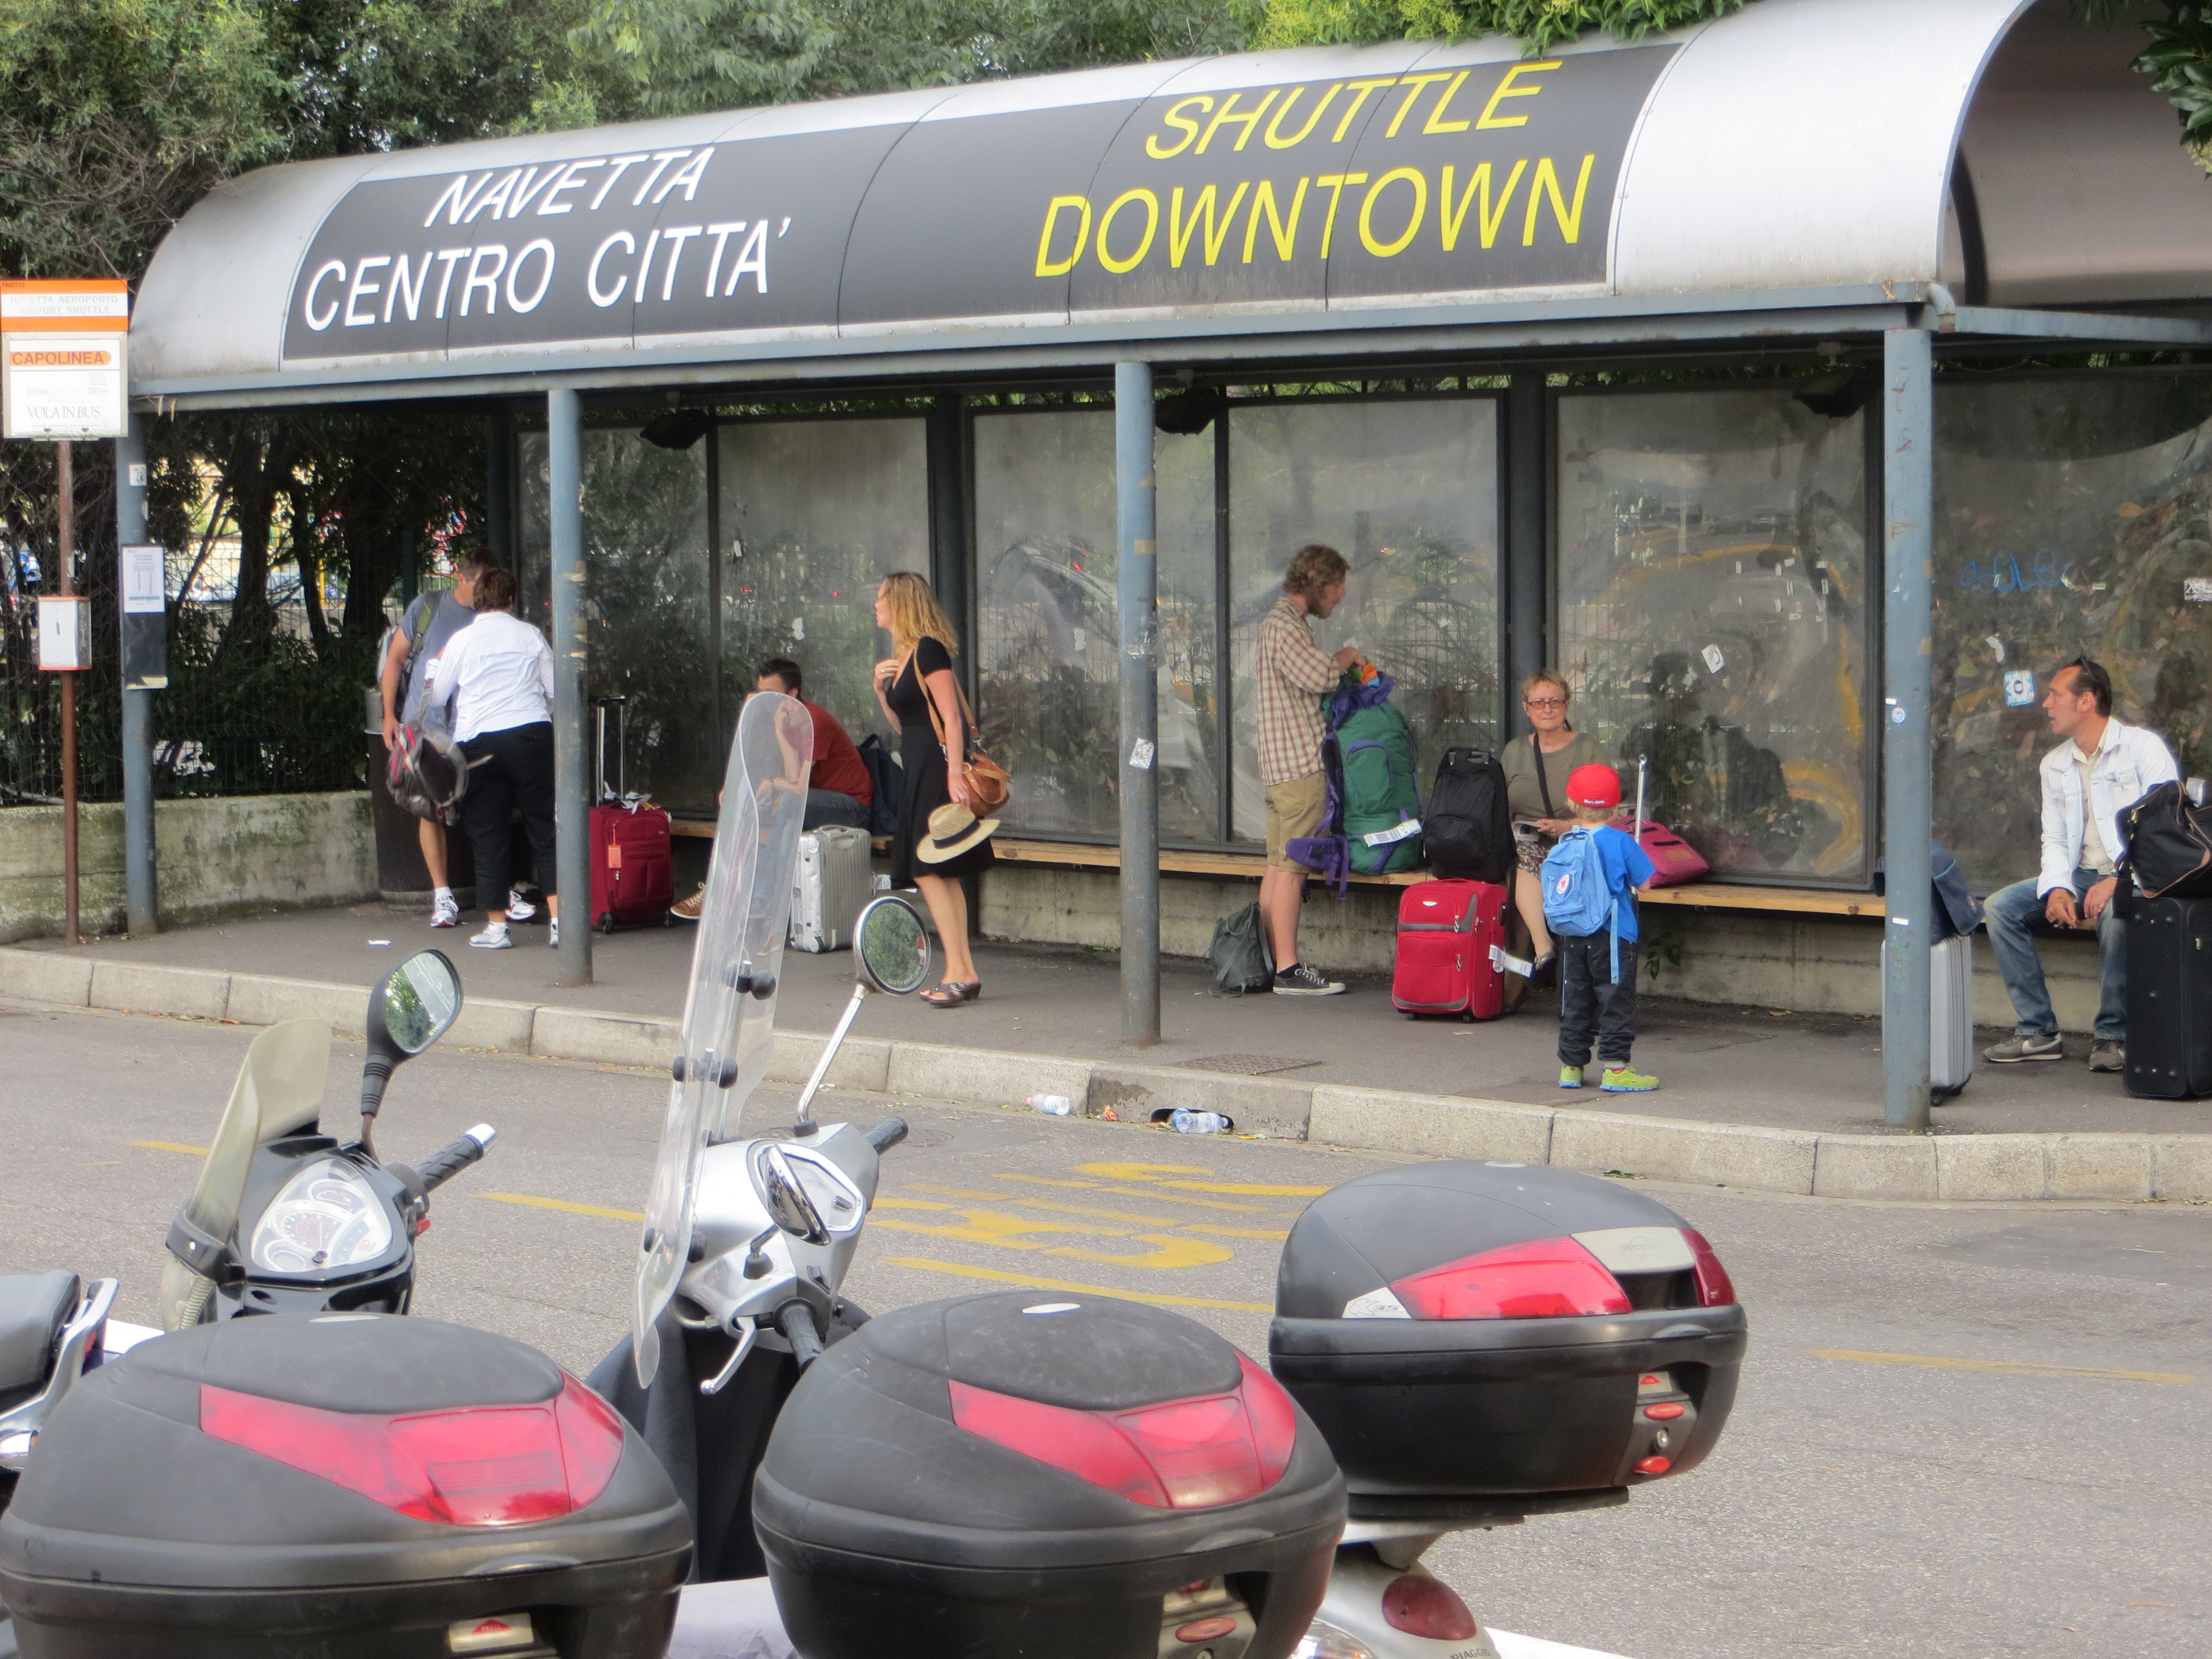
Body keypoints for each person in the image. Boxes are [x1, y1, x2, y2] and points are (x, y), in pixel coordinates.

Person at [1982, 656, 2177, 1072]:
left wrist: (2120, 879)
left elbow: (2161, 831)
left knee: (2116, 915)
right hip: (2083, 875)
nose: (2047, 704)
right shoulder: (2054, 764)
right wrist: (2057, 888)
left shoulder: (2143, 749)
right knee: (2001, 908)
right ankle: (2039, 1030)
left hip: (2140, 876)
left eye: (2056, 695)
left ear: (2086, 701)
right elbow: (2054, 838)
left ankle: (2113, 1036)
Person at [418, 566, 561, 952]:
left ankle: (497, 927)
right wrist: (537, 711)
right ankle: (559, 923)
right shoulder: (530, 635)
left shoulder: (462, 640)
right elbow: (555, 690)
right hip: (531, 736)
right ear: (511, 599)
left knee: (488, 834)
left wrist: (434, 666)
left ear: (478, 600)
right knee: (544, 828)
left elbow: (439, 693)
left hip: (479, 744)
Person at [669, 656, 874, 921]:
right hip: (809, 801)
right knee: (750, 808)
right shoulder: (783, 720)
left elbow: (797, 787)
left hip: (851, 806)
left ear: (792, 694)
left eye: (769, 693)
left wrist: (775, 784)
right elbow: (785, 774)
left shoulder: (814, 721)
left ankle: (759, 898)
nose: (762, 700)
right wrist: (776, 733)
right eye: (760, 693)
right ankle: (720, 891)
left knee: (787, 806)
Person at [872, 572, 991, 1007]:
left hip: (936, 770)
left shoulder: (928, 649)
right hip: (919, 766)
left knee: (928, 868)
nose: (876, 605)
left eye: (881, 598)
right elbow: (906, 724)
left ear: (901, 602)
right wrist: (880, 690)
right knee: (939, 872)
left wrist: (955, 773)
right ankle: (963, 972)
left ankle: (959, 972)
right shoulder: (903, 655)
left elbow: (952, 717)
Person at [379, 554, 516, 928]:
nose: (486, 590)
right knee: (429, 808)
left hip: (477, 724)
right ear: (461, 578)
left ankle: (500, 893)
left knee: (486, 808)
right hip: (428, 727)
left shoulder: (494, 615)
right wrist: (389, 716)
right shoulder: (428, 608)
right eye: (480, 582)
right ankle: (442, 895)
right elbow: (395, 659)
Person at [1255, 544, 1365, 997]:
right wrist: (1349, 654)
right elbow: (1319, 676)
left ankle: (1268, 961)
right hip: (1299, 766)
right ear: (1316, 580)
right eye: (1337, 584)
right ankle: (1288, 969)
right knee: (1294, 869)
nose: (1341, 594)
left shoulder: (1283, 623)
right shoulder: (1285, 626)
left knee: (1277, 866)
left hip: (1279, 768)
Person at [1549, 763, 1658, 1094]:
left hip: (1572, 934)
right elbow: (1646, 884)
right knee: (1614, 1002)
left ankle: (1571, 1068)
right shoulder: (1621, 842)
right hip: (1613, 936)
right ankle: (1616, 1070)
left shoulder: (1566, 842)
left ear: (1571, 804)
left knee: (1576, 1001)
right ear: (1615, 808)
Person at [1500, 669, 1611, 979]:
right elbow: (1500, 806)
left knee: (1561, 860)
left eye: (1555, 702)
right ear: (1526, 708)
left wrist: (1570, 826)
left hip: (1576, 838)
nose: (1547, 709)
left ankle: (1567, 959)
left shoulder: (1588, 749)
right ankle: (1544, 948)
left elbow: (1608, 812)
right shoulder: (1515, 751)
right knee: (1521, 856)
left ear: (1567, 705)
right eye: (1539, 703)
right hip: (1527, 841)